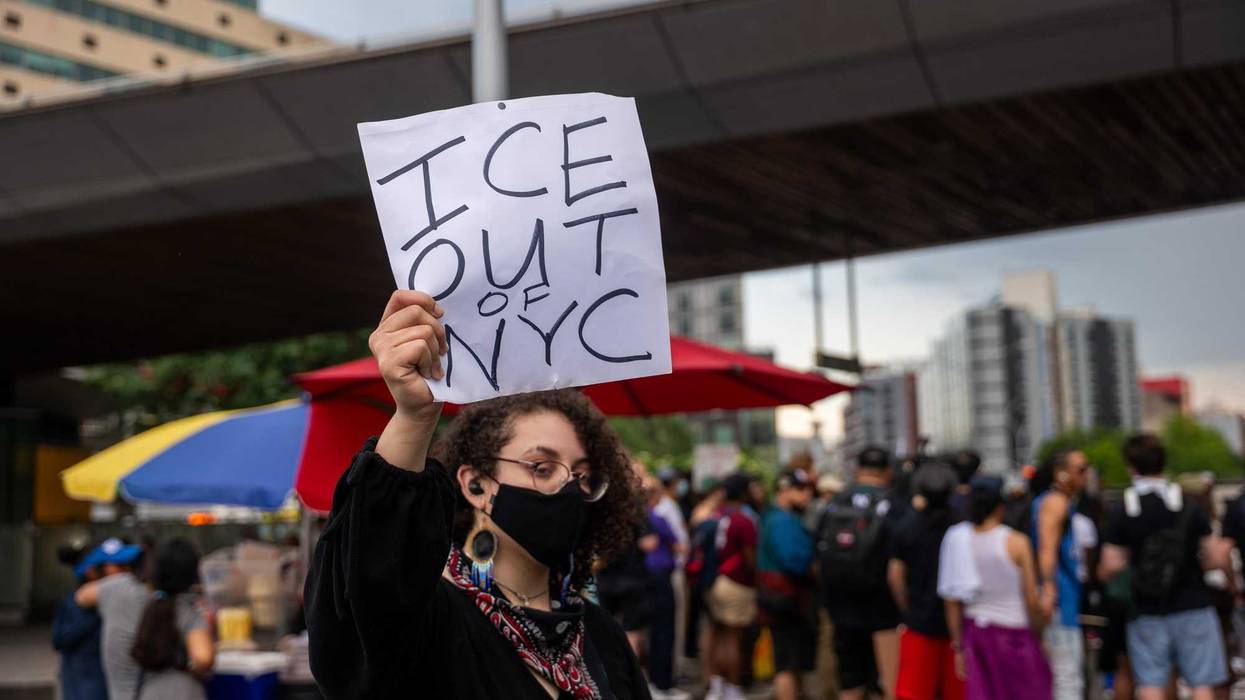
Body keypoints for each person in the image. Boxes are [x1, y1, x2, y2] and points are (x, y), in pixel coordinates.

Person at [304, 290, 650, 699]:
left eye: (583, 476)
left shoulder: (599, 634)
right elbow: (365, 594)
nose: (567, 488)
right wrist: (415, 415)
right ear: (476, 485)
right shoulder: (430, 621)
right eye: (542, 467)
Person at [1099, 434, 1231, 700]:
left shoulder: (1124, 508)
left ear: (1130, 466)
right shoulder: (1187, 504)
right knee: (1201, 683)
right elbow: (1216, 556)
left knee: (1151, 683)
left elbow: (1111, 563)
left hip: (1146, 607)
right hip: (1193, 602)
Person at [939, 476, 1051, 700]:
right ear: (1000, 507)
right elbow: (1030, 598)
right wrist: (1040, 631)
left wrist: (959, 646)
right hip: (1014, 632)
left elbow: (951, 599)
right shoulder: (1016, 542)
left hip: (976, 632)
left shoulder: (957, 538)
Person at [75, 537, 214, 700]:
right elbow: (203, 658)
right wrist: (188, 666)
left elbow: (82, 596)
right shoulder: (188, 610)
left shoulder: (117, 589)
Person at [817, 446, 905, 700]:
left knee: (850, 680)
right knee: (890, 679)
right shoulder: (894, 504)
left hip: (841, 604)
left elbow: (818, 554)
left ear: (857, 470)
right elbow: (898, 564)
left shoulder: (834, 503)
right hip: (883, 605)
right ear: (887, 471)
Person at [888, 464, 964, 700]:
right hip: (960, 629)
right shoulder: (963, 527)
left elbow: (895, 576)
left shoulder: (906, 527)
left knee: (914, 693)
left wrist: (906, 607)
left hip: (919, 623)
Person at [1030, 450, 1089, 700]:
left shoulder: (1061, 502)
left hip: (1065, 597)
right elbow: (1046, 549)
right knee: (1067, 675)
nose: (1086, 476)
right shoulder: (1055, 503)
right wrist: (1049, 590)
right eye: (1081, 470)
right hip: (1060, 601)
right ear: (1061, 474)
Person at [758, 467, 817, 700]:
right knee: (787, 664)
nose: (807, 495)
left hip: (785, 599)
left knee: (790, 662)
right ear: (784, 491)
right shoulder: (781, 521)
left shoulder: (781, 518)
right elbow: (795, 561)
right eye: (801, 489)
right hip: (785, 599)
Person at [703, 473, 759, 700]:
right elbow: (749, 559)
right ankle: (733, 687)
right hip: (737, 583)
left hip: (715, 581)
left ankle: (716, 684)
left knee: (718, 634)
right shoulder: (743, 521)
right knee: (734, 638)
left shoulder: (717, 516)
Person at [52, 543, 107, 700]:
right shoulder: (80, 605)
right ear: (91, 572)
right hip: (88, 683)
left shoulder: (70, 601)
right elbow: (60, 639)